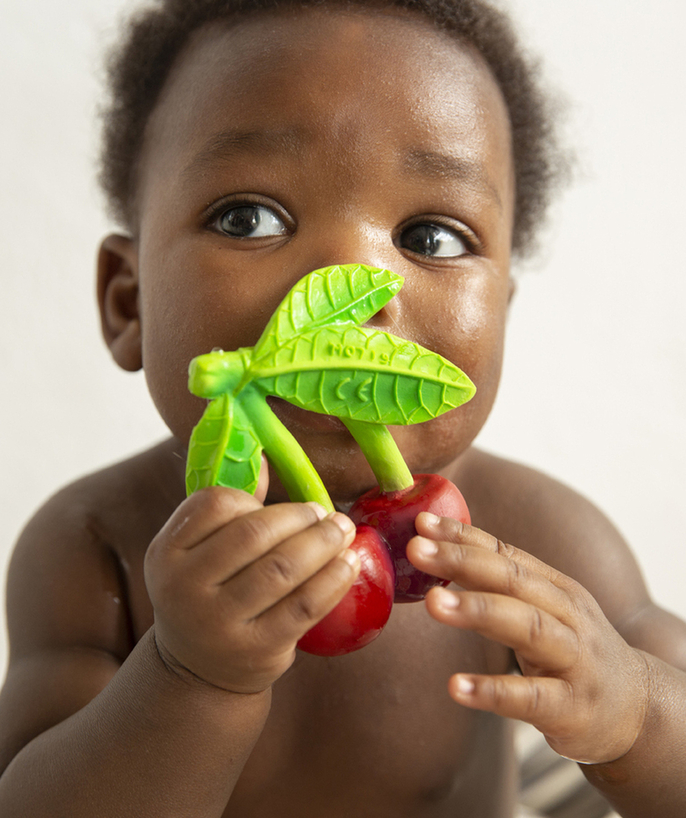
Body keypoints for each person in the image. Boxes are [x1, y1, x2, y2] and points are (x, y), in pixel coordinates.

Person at [0, 0, 684, 816]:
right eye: (248, 218)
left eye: (431, 237)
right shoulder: (95, 545)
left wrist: (635, 715)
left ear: (503, 312)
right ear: (129, 300)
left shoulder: (537, 535)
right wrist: (187, 677)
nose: (341, 289)